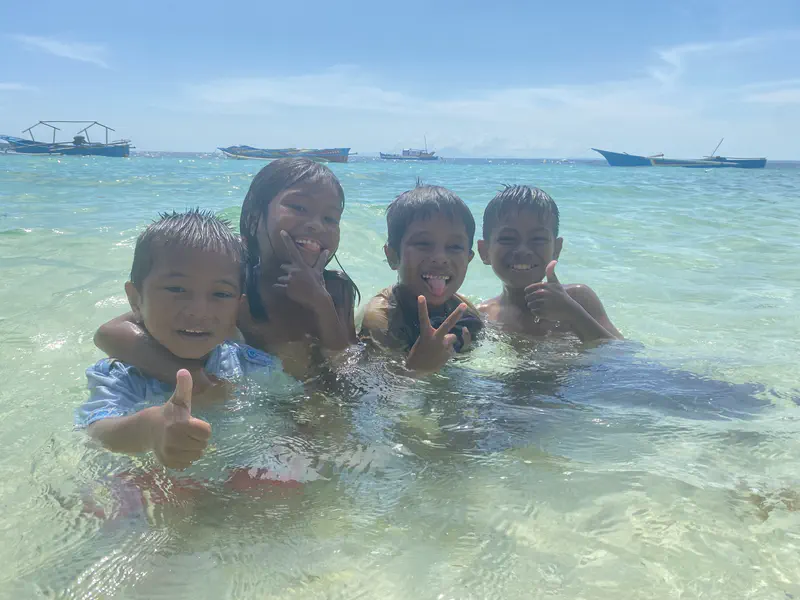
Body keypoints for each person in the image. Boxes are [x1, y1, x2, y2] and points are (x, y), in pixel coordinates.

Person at [94, 158, 359, 381]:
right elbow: (110, 334)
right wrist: (195, 383)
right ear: (255, 217)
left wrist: (320, 303)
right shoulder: (231, 281)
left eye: (330, 218)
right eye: (298, 207)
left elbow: (345, 365)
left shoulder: (336, 290)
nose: (315, 225)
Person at [76, 209, 282, 470]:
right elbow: (97, 431)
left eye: (220, 294)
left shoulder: (248, 362)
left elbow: (290, 401)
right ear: (135, 300)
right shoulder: (120, 376)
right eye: (177, 289)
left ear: (237, 307)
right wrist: (150, 429)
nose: (199, 310)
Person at [360, 183, 483, 372]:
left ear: (468, 259)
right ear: (393, 256)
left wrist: (463, 354)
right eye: (423, 243)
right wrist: (417, 369)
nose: (441, 258)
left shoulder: (462, 310)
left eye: (455, 247)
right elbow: (375, 395)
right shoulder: (381, 318)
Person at [477, 185, 621, 342]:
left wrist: (573, 314)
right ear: (484, 251)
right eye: (508, 239)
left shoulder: (577, 298)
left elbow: (621, 353)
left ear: (556, 249)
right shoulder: (483, 317)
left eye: (538, 239)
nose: (523, 250)